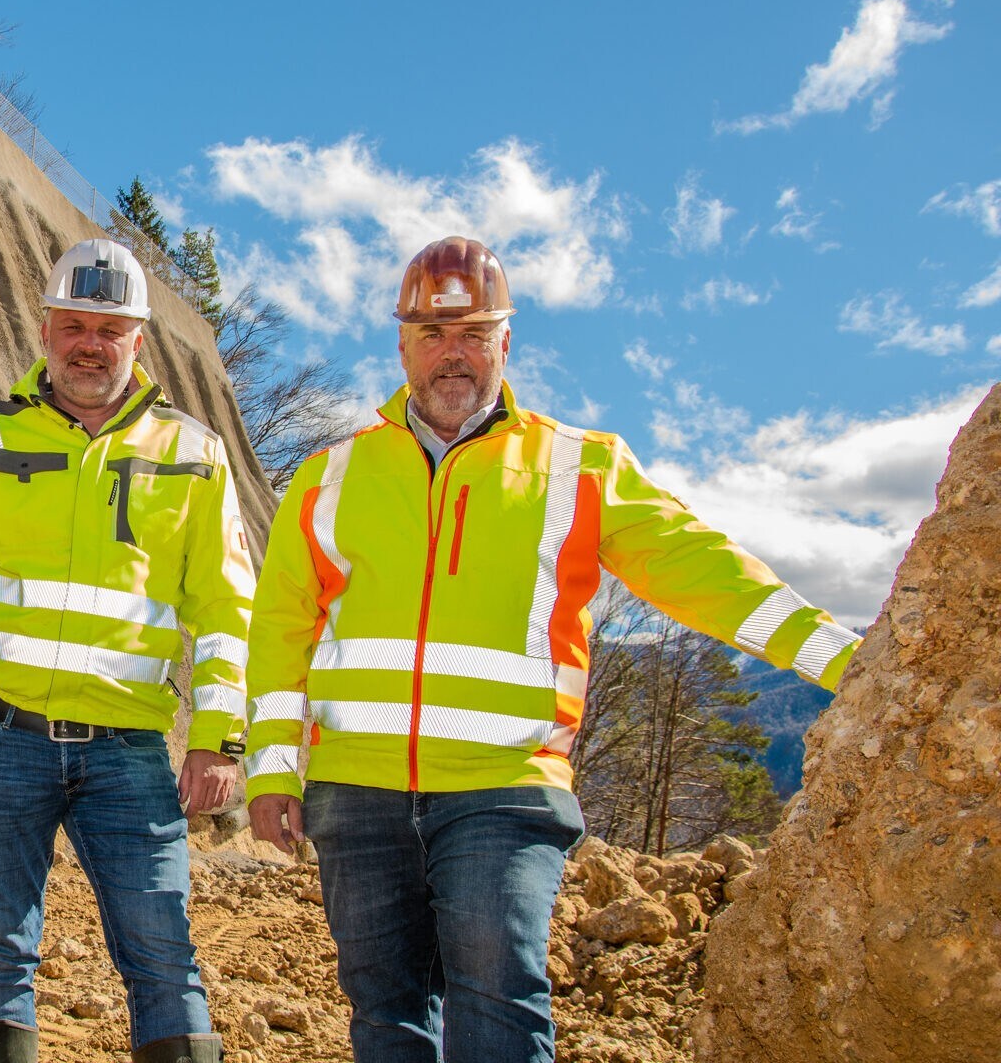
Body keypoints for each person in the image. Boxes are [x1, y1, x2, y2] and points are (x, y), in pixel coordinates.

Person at [243, 236, 864, 1063]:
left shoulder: (578, 467)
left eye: (474, 333)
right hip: (355, 792)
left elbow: (703, 570)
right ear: (402, 346)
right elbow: (280, 632)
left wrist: (848, 660)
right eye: (432, 334)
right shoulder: (330, 476)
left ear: (506, 341)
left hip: (506, 788)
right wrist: (272, 771)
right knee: (385, 1012)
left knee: (498, 1002)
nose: (452, 353)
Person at [0, 238, 256, 1063]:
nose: (90, 344)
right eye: (74, 325)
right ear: (45, 330)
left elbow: (226, 613)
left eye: (110, 329)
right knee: (0, 951)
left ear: (139, 340)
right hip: (2, 737)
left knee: (163, 953)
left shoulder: (194, 455)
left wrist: (218, 737)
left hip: (130, 749)